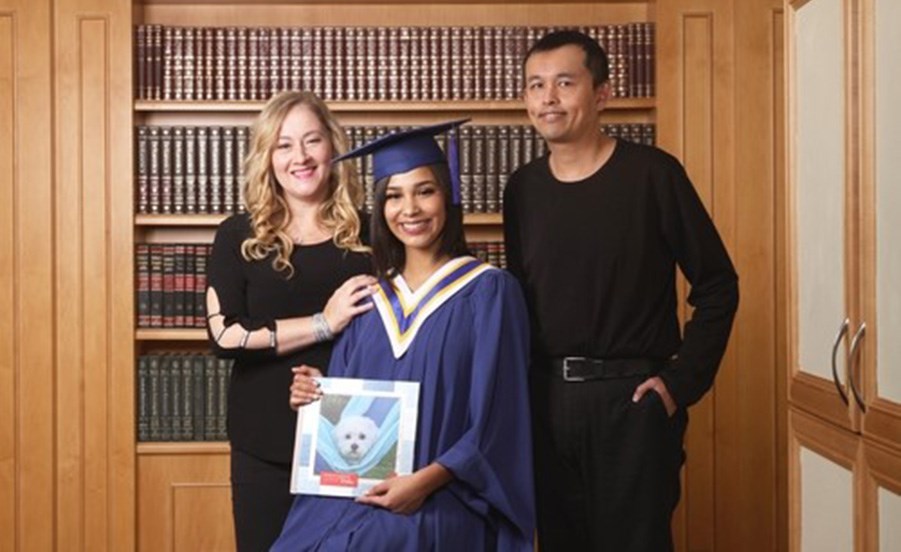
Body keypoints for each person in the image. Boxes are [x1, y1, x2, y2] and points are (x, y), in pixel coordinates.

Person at [503, 30, 739, 551]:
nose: (548, 98)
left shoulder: (653, 175)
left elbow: (718, 284)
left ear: (602, 93)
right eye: (535, 85)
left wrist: (678, 384)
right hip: (546, 402)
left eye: (565, 83)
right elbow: (518, 302)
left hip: (632, 402)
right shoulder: (522, 190)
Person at [272, 120, 535, 551]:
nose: (409, 209)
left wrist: (423, 482)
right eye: (394, 195)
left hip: (447, 496)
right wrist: (315, 397)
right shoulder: (370, 302)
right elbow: (349, 415)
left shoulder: (489, 292)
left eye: (425, 191)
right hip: (360, 497)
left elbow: (498, 421)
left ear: (449, 196)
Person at [205, 90, 377, 551]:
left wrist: (334, 388)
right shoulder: (238, 235)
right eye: (284, 144)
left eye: (312, 141)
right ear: (267, 156)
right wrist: (325, 322)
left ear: (333, 148)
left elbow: (398, 341)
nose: (299, 157)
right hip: (263, 443)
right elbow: (225, 336)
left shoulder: (373, 234)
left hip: (353, 438)